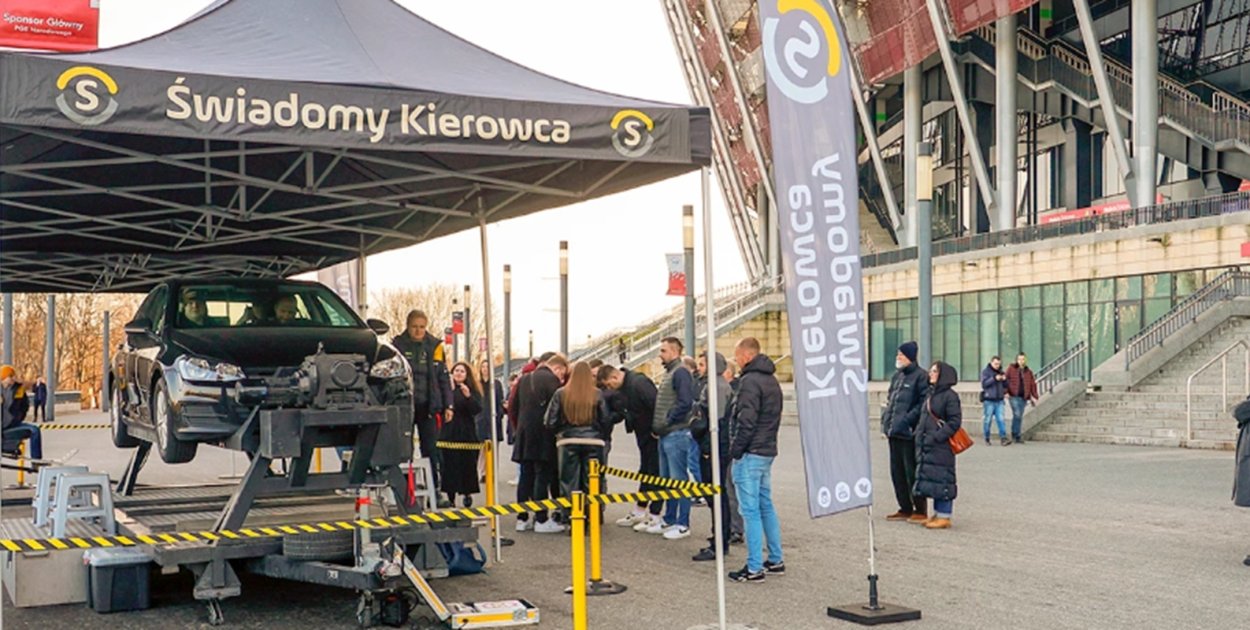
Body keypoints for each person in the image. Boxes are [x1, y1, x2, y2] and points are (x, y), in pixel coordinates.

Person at [727, 337, 784, 582]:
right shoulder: (771, 380)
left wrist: (736, 450)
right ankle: (775, 558)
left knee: (750, 511)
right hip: (767, 449)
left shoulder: (749, 382)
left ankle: (754, 567)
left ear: (747, 355)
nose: (736, 360)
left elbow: (746, 421)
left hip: (750, 452)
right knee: (765, 505)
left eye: (737, 356)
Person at [598, 364, 663, 531]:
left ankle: (654, 514)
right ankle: (640, 510)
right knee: (646, 471)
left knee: (654, 473)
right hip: (643, 434)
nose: (609, 389)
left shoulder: (638, 383)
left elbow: (656, 405)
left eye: (609, 384)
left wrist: (657, 429)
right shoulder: (626, 387)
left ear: (614, 377)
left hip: (652, 434)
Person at [392, 310, 453, 489]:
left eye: (422, 327)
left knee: (431, 449)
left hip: (429, 406)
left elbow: (443, 378)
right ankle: (404, 489)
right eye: (415, 327)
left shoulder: (435, 346)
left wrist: (449, 405)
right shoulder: (397, 345)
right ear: (408, 326)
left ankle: (434, 488)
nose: (418, 331)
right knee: (404, 450)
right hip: (405, 406)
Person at [545, 362, 612, 517]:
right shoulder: (597, 394)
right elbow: (606, 420)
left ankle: (571, 516)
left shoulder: (561, 393)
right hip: (593, 441)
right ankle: (593, 516)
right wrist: (599, 433)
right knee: (592, 482)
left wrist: (561, 433)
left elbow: (550, 421)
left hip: (567, 441)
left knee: (569, 482)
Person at [513, 353, 567, 533]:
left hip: (524, 433)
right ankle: (541, 519)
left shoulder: (524, 379)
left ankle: (522, 518)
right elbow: (558, 410)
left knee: (525, 477)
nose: (561, 377)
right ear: (557, 368)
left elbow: (513, 406)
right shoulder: (552, 381)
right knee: (542, 476)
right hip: (543, 435)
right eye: (562, 373)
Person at [651, 337, 697, 540]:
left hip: (676, 433)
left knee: (679, 480)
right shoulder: (671, 372)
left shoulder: (680, 373)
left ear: (674, 352)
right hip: (666, 433)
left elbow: (685, 402)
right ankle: (669, 518)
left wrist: (668, 420)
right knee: (668, 479)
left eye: (663, 350)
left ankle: (683, 523)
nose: (660, 354)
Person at [691, 351, 733, 561]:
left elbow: (717, 423)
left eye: (703, 364)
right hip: (713, 446)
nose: (699, 368)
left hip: (714, 448)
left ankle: (720, 541)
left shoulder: (716, 387)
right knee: (715, 494)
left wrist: (708, 448)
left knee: (716, 494)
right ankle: (719, 536)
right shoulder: (716, 385)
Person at [881, 341, 929, 524]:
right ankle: (904, 507)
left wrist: (907, 420)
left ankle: (920, 509)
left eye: (901, 354)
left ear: (909, 357)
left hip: (909, 433)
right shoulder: (897, 377)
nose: (898, 357)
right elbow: (891, 400)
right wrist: (886, 420)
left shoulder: (921, 376)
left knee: (911, 471)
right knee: (897, 472)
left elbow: (923, 403)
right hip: (894, 432)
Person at [916, 361, 962, 529]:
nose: (931, 374)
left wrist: (937, 436)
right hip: (928, 444)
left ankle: (944, 515)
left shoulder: (950, 396)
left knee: (943, 478)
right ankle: (937, 513)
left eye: (934, 371)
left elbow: (954, 421)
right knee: (934, 479)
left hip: (941, 445)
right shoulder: (931, 394)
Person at [441, 362, 483, 507]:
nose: (458, 373)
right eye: (456, 371)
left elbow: (477, 409)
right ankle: (450, 497)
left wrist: (468, 396)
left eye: (462, 371)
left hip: (466, 433)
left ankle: (467, 493)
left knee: (467, 465)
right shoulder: (446, 389)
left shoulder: (471, 390)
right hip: (449, 432)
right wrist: (450, 393)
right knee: (449, 466)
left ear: (467, 375)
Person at [1, 365, 42, 460]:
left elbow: (25, 406)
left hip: (13, 424)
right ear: (3, 378)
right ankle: (7, 447)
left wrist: (18, 417)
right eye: (10, 376)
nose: (12, 379)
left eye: (13, 376)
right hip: (3, 426)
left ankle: (36, 460)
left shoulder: (18, 389)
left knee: (35, 430)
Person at [1005, 353, 1039, 444]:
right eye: (1019, 359)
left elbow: (1032, 384)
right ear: (1016, 360)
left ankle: (1016, 434)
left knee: (1019, 416)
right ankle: (1016, 434)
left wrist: (1034, 396)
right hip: (1013, 395)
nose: (1021, 361)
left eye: (1023, 359)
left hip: (1024, 397)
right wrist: (1006, 392)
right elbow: (1005, 380)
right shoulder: (1011, 369)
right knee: (1017, 414)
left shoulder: (1028, 371)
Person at [980, 356, 1010, 446]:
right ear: (991, 363)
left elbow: (1006, 385)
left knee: (1001, 419)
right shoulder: (986, 372)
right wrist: (994, 378)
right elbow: (984, 384)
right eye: (996, 364)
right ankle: (987, 437)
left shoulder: (1001, 372)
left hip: (999, 399)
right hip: (989, 399)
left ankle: (1003, 438)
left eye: (999, 364)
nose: (997, 366)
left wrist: (1004, 380)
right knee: (988, 420)